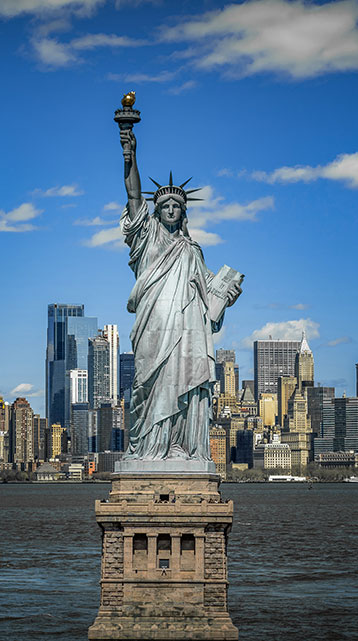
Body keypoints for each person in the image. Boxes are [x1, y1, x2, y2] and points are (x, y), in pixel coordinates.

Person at [119, 128, 241, 463]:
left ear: (183, 213)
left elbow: (209, 296)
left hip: (187, 332)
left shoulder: (192, 250)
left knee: (182, 382)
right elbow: (133, 198)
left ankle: (178, 446)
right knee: (150, 382)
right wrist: (130, 156)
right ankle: (147, 448)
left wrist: (226, 295)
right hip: (153, 324)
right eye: (165, 205)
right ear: (156, 212)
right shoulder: (146, 240)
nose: (171, 210)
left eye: (177, 206)